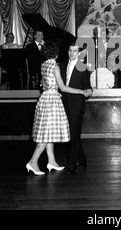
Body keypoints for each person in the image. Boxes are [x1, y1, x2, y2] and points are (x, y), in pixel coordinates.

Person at [26, 40, 87, 176]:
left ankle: (52, 161)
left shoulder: (44, 65)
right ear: (57, 54)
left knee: (49, 132)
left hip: (44, 99)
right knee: (46, 136)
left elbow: (43, 83)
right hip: (52, 100)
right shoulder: (55, 66)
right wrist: (81, 91)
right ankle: (33, 162)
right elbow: (63, 87)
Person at [60, 43, 93, 174]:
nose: (71, 53)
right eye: (70, 50)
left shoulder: (83, 68)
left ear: (79, 53)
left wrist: (89, 91)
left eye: (74, 51)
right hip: (62, 102)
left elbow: (87, 86)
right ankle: (81, 158)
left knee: (73, 133)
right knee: (71, 132)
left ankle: (72, 164)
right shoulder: (61, 65)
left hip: (76, 104)